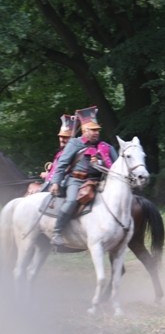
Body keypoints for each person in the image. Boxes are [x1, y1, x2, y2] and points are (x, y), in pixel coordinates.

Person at [49, 106, 118, 249]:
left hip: (99, 182)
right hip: (77, 180)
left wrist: (99, 163)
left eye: (97, 130)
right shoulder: (74, 143)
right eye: (93, 130)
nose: (96, 132)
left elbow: (116, 168)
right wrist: (55, 182)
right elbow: (62, 164)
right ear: (85, 130)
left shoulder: (105, 147)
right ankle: (57, 232)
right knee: (71, 202)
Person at [37, 114, 74, 192]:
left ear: (71, 138)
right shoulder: (60, 153)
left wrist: (48, 176)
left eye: (65, 137)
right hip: (49, 183)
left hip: (60, 186)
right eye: (61, 136)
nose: (62, 139)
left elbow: (63, 171)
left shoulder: (71, 153)